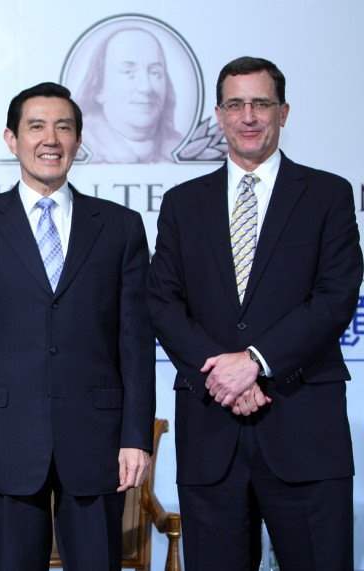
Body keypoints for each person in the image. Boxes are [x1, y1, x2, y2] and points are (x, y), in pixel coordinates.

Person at [148, 56, 362, 571]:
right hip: (211, 429)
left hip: (304, 424)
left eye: (261, 104)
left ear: (283, 112)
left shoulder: (328, 194)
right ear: (219, 115)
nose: (248, 116)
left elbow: (335, 296)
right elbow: (162, 300)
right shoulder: (182, 203)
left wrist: (256, 362)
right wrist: (222, 372)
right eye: (236, 104)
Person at [0, 82, 155, 571]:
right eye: (36, 126)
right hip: (3, 440)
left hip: (98, 439)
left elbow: (136, 342)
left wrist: (135, 436)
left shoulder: (120, 226)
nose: (50, 139)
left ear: (78, 140)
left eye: (64, 127)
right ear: (11, 139)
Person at [75, 27, 182, 163]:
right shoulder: (78, 144)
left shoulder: (179, 145)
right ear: (99, 88)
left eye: (155, 73)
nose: (146, 88)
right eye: (128, 72)